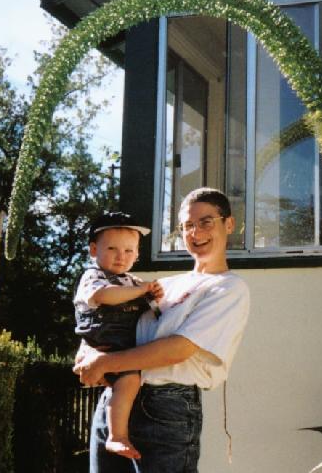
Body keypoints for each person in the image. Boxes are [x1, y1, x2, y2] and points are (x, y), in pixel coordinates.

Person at [74, 187, 250, 473]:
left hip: (166, 408)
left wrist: (104, 363)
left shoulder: (228, 288)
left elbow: (178, 349)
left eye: (206, 222)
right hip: (115, 400)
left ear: (228, 224)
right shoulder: (161, 286)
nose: (196, 232)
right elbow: (108, 321)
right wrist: (87, 353)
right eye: (187, 225)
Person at [74, 212, 163, 459]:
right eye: (112, 248)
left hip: (123, 346)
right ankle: (116, 436)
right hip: (103, 343)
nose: (120, 256)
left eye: (129, 250)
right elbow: (105, 296)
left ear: (137, 254)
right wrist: (141, 290)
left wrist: (154, 295)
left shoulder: (133, 281)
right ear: (94, 250)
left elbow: (154, 312)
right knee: (129, 379)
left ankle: (118, 433)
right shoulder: (93, 277)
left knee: (129, 380)